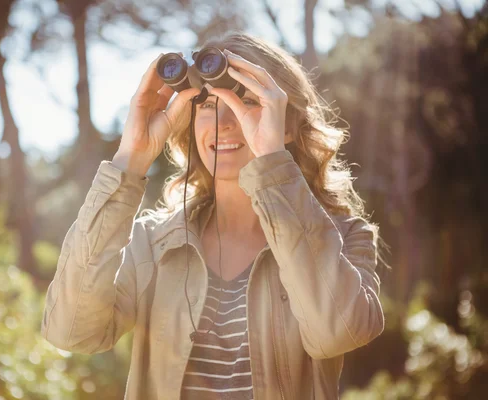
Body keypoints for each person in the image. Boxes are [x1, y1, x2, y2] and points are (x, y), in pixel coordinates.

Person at [41, 31, 385, 400]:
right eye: (206, 104)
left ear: (287, 124)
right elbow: (71, 330)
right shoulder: (152, 243)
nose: (224, 122)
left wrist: (272, 163)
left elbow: (337, 331)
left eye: (247, 101)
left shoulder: (345, 237)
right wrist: (131, 160)